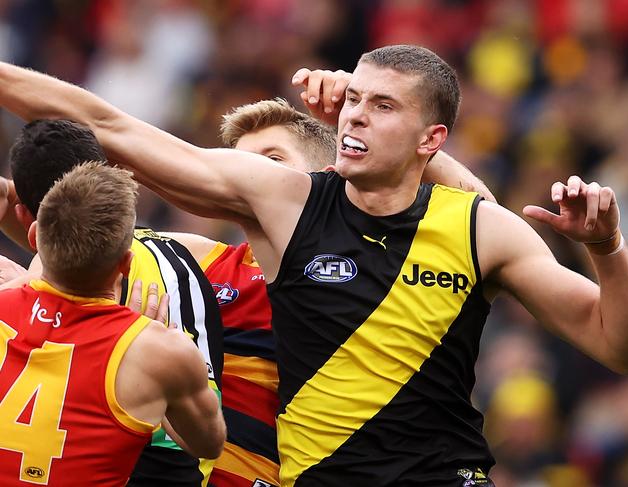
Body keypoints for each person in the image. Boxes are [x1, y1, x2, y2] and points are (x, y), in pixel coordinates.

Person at [1, 44, 628, 486]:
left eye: (382, 106)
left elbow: (626, 348)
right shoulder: (279, 211)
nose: (358, 115)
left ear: (432, 139)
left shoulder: (479, 227)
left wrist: (608, 249)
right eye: (355, 100)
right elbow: (107, 127)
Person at [0, 101, 494, 487]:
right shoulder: (197, 259)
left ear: (325, 181)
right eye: (237, 165)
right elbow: (74, 250)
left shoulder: (375, 271)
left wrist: (376, 116)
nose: (246, 179)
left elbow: (481, 218)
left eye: (272, 162)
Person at [1, 119, 225, 487]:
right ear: (125, 260)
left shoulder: (7, 298)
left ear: (30, 228)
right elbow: (207, 445)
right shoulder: (164, 334)